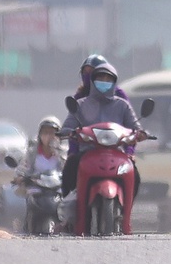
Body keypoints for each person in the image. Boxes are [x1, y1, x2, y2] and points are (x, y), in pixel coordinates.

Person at [60, 62, 147, 199]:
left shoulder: (122, 105)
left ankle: (125, 213)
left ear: (114, 82)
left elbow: (135, 127)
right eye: (100, 79)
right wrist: (68, 132)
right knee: (70, 167)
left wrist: (140, 134)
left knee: (134, 175)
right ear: (93, 81)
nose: (104, 82)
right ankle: (67, 210)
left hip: (117, 154)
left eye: (108, 79)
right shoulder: (81, 104)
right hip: (87, 153)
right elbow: (67, 126)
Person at [16, 115, 66, 181]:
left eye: (52, 133)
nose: (48, 136)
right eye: (45, 133)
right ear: (40, 135)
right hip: (36, 187)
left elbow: (68, 170)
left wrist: (57, 152)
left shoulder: (64, 153)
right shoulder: (32, 153)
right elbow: (23, 169)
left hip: (58, 188)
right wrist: (22, 176)